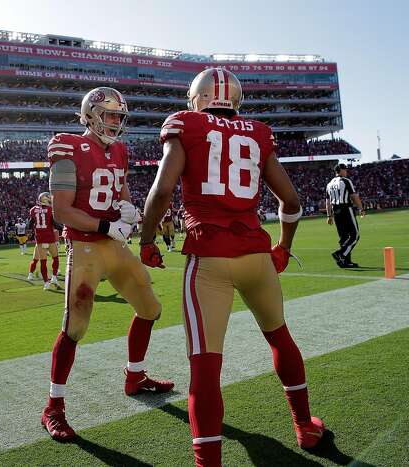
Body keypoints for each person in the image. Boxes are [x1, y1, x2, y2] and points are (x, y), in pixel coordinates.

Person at [140, 68, 324, 467]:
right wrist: (283, 248)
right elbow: (291, 201)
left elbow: (163, 188)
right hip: (256, 256)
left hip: (209, 259)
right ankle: (305, 425)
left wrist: (147, 239)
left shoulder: (186, 123)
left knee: (205, 365)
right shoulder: (257, 130)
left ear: (198, 97)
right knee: (281, 339)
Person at [41, 87, 174, 442]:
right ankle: (53, 407)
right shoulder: (68, 146)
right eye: (110, 114)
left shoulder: (119, 150)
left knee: (150, 308)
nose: (116, 122)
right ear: (91, 113)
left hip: (114, 244)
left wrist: (129, 212)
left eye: (119, 116)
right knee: (76, 325)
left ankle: (135, 375)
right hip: (85, 246)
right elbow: (62, 210)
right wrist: (105, 225)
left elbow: (122, 190)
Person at [325, 163, 365, 268]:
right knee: (355, 235)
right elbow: (354, 196)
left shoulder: (329, 184)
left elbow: (328, 202)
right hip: (346, 209)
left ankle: (345, 261)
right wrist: (361, 208)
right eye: (345, 170)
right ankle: (341, 254)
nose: (346, 172)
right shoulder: (346, 181)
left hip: (336, 211)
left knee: (344, 237)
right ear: (341, 170)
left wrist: (329, 216)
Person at [27, 192, 60, 290]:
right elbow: (55, 225)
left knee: (43, 262)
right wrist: (65, 227)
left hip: (40, 240)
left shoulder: (33, 210)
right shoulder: (50, 210)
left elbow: (29, 225)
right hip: (49, 238)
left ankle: (46, 283)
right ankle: (54, 277)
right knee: (55, 258)